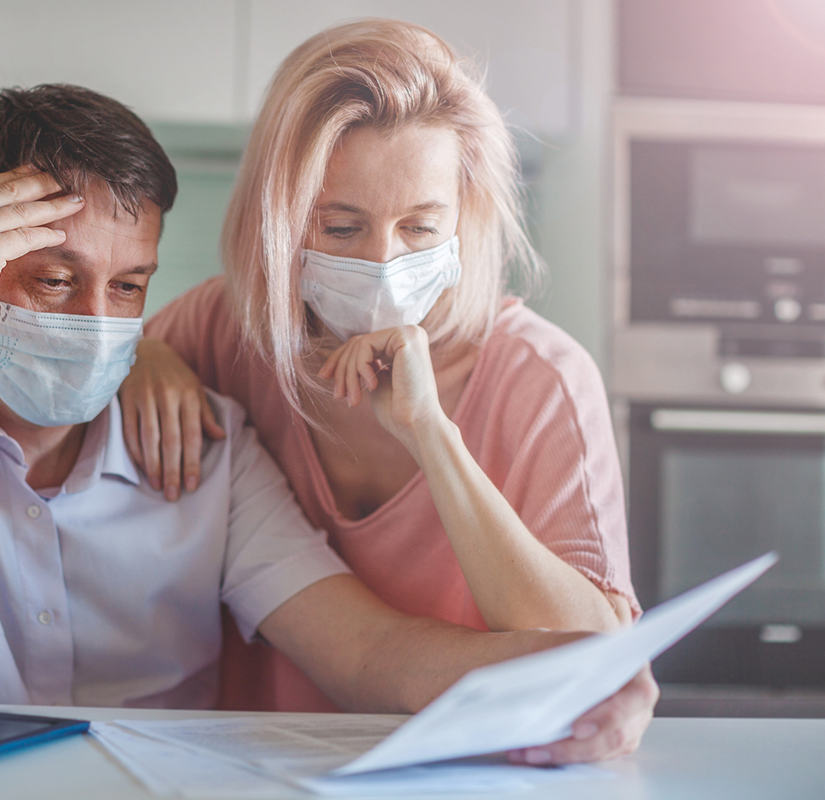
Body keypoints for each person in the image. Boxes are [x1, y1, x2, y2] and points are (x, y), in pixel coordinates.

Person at [0, 83, 589, 722]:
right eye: (53, 279)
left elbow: (365, 653)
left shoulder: (208, 450)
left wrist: (556, 676)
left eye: (127, 288)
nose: (94, 320)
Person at [120, 19, 657, 764]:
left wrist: (432, 435)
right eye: (340, 228)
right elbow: (90, 362)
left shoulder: (543, 380)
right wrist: (138, 355)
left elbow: (592, 663)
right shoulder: (220, 331)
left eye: (420, 227)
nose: (381, 263)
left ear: (464, 216)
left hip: (477, 773)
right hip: (251, 768)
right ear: (276, 220)